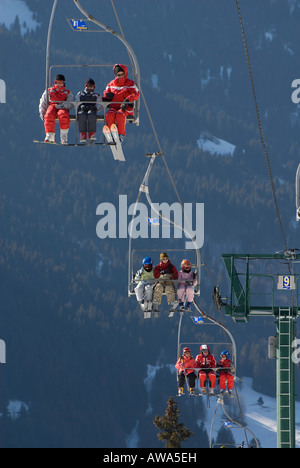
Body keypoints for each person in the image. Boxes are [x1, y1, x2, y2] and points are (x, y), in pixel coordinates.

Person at [102, 64, 139, 143]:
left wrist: (127, 100)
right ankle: (110, 134)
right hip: (114, 107)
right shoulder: (111, 84)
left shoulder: (130, 84)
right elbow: (106, 92)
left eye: (122, 74)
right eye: (118, 75)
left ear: (125, 73)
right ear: (115, 75)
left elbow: (136, 94)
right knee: (109, 114)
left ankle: (120, 135)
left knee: (120, 115)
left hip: (126, 108)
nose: (120, 76)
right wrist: (108, 95)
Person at [39, 74, 74, 144]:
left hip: (63, 107)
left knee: (63, 115)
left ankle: (64, 137)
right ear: (55, 83)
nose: (59, 84)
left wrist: (64, 105)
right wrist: (42, 113)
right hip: (52, 106)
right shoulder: (50, 91)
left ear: (63, 83)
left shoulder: (67, 92)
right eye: (57, 82)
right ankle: (50, 135)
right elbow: (43, 102)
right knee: (49, 114)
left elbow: (71, 103)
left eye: (61, 83)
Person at [75, 78, 102, 143]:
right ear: (85, 86)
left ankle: (91, 133)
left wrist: (95, 108)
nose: (89, 88)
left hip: (92, 109)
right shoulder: (80, 93)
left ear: (94, 87)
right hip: (83, 109)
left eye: (91, 86)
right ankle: (83, 134)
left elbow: (100, 104)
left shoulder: (96, 95)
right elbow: (76, 101)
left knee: (91, 115)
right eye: (88, 86)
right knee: (81, 115)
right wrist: (80, 106)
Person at [153, 252, 178, 317]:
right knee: (158, 288)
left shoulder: (171, 266)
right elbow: (155, 275)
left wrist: (170, 274)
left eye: (166, 258)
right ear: (161, 260)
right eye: (164, 259)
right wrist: (160, 273)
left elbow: (176, 275)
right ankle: (156, 303)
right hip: (161, 282)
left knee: (169, 289)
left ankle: (171, 304)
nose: (165, 260)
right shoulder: (158, 267)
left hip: (169, 282)